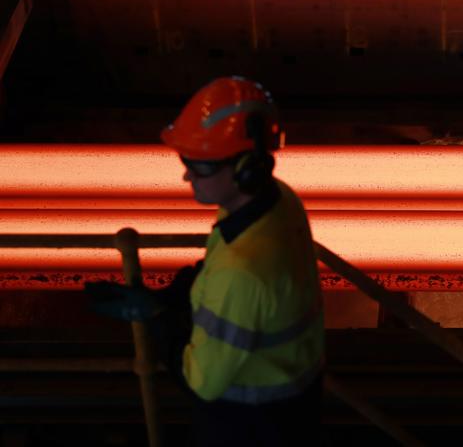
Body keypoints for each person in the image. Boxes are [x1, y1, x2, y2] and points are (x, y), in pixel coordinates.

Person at [85, 76, 325, 446]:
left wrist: (157, 319)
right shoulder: (278, 200)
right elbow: (216, 260)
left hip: (251, 424)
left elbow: (201, 382)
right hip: (294, 402)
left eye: (199, 166)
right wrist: (168, 297)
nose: (186, 175)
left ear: (245, 168)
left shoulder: (243, 273)